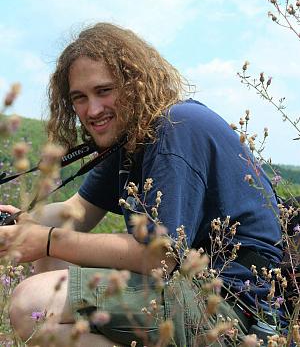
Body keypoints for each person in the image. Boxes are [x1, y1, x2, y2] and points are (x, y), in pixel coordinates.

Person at [0, 23, 282, 346]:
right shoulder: (131, 140)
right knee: (48, 260)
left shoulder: (175, 129)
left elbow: (160, 257)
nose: (92, 110)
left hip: (231, 310)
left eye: (104, 91)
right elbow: (75, 210)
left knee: (30, 304)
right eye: (80, 97)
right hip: (188, 291)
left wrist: (47, 239)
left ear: (133, 85)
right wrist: (21, 223)